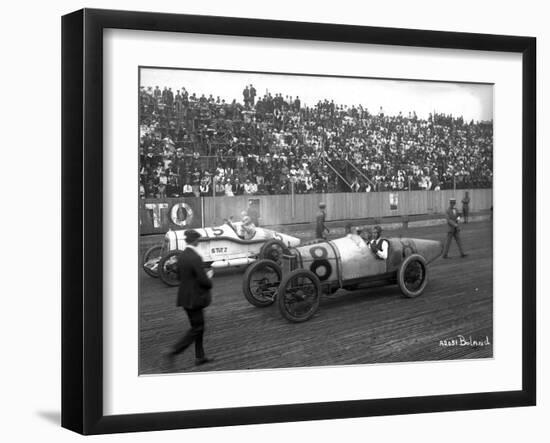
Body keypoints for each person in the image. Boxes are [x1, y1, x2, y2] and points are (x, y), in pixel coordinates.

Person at [165, 230, 213, 366]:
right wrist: (209, 278)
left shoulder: (182, 256)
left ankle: (200, 357)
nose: (199, 241)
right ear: (195, 241)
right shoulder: (195, 257)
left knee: (198, 327)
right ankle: (173, 351)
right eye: (198, 239)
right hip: (195, 299)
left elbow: (180, 277)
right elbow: (204, 281)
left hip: (184, 298)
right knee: (197, 329)